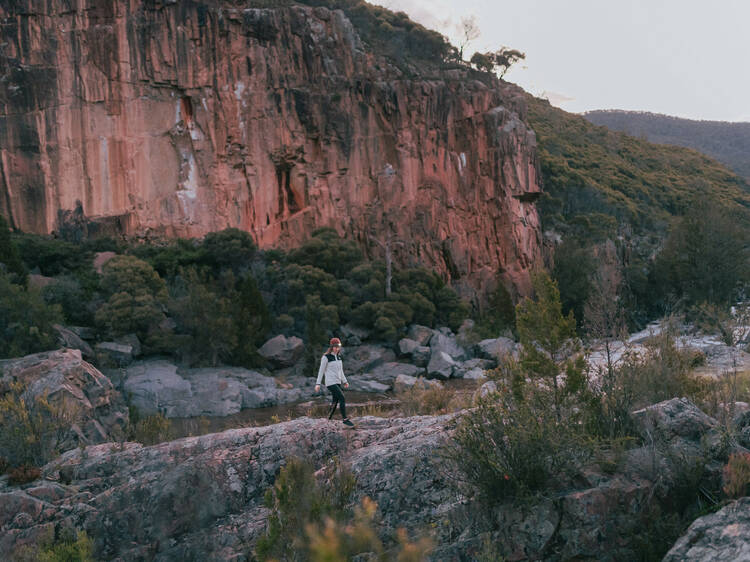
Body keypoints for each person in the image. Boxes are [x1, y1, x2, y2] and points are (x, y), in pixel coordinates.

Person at [315, 337, 354, 427]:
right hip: (330, 382)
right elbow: (321, 371)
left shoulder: (338, 357)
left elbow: (341, 371)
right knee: (342, 398)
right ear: (331, 347)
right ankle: (345, 419)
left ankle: (328, 418)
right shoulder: (326, 357)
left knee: (335, 401)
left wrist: (345, 381)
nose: (337, 348)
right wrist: (318, 384)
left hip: (337, 382)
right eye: (335, 347)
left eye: (338, 346)